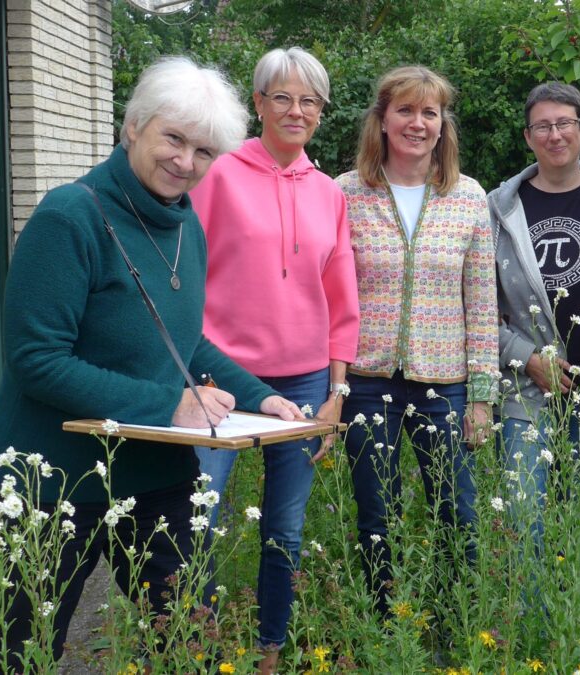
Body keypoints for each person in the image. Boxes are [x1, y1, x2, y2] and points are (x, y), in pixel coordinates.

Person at [0, 56, 304, 673]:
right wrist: (166, 403)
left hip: (151, 472)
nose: (185, 162)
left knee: (182, 642)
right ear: (133, 127)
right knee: (23, 651)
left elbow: (183, 342)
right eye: (173, 139)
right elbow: (37, 360)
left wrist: (260, 396)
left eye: (204, 152)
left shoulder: (185, 225)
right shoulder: (69, 215)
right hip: (52, 477)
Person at [189, 46, 359, 672]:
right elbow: (184, 274)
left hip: (307, 377)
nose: (296, 110)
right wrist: (189, 375)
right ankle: (198, 645)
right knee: (199, 523)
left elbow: (342, 300)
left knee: (284, 530)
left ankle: (269, 648)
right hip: (221, 381)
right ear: (257, 102)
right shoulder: (217, 175)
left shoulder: (328, 192)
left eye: (309, 100)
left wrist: (337, 390)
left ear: (321, 112)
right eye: (281, 97)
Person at [336, 65, 499, 618]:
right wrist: (332, 384)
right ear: (382, 119)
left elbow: (482, 302)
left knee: (457, 509)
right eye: (405, 110)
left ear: (442, 124)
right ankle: (385, 624)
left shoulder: (468, 197)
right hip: (365, 380)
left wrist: (482, 394)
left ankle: (456, 622)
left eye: (429, 112)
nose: (417, 123)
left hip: (445, 383)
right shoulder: (346, 194)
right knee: (376, 512)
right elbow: (328, 294)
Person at [487, 82, 580, 549]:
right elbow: (477, 305)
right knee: (524, 517)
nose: (555, 135)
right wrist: (526, 356)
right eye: (542, 126)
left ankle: (572, 621)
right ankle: (529, 620)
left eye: (565, 124)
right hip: (525, 391)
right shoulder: (497, 208)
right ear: (528, 137)